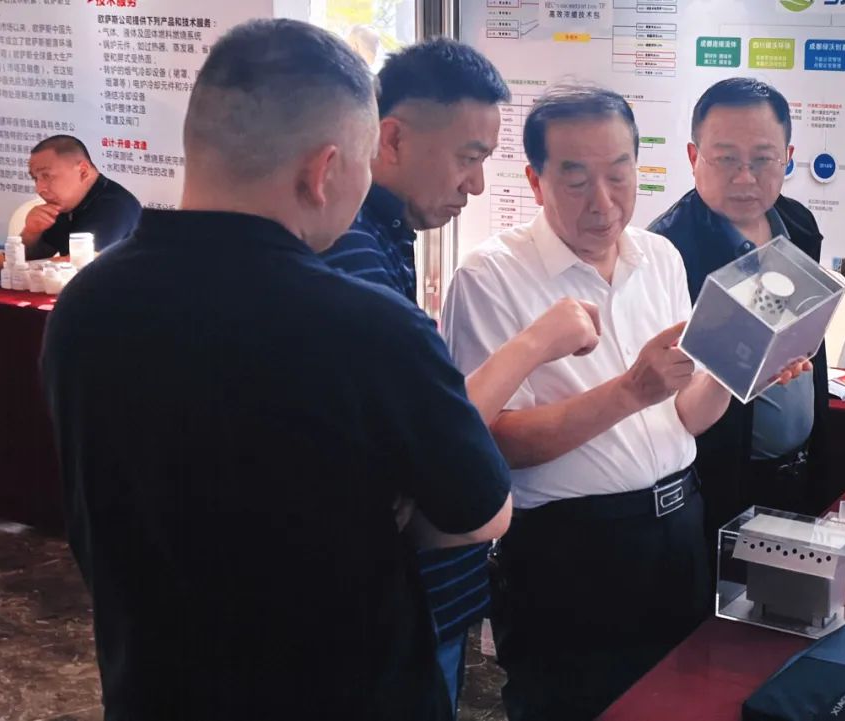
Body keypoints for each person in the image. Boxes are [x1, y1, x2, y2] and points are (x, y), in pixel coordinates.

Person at [41, 19, 512, 721]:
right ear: (324, 171)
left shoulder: (84, 306)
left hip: (153, 688)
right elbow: (483, 510)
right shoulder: (369, 327)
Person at [442, 84, 810, 721]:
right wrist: (630, 391)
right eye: (576, 180)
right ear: (535, 181)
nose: (604, 202)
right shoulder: (490, 276)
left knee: (684, 703)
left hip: (679, 529)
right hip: (570, 552)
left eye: (619, 174)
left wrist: (737, 372)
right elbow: (493, 443)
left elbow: (685, 417)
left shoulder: (659, 257)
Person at [320, 37, 601, 716]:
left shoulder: (383, 237)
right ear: (391, 139)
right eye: (467, 158)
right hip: (395, 598)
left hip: (424, 588)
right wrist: (537, 342)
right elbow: (435, 444)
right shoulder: (354, 249)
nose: (475, 185)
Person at [648, 78, 831, 556]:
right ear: (694, 157)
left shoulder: (798, 224)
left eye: (763, 159)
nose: (745, 177)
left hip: (801, 472)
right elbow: (660, 402)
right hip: (719, 489)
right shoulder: (666, 253)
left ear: (787, 157)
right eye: (726, 159)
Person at [21, 135, 141, 260]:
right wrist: (31, 232)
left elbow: (81, 265)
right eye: (35, 178)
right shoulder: (67, 204)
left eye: (46, 176)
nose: (39, 189)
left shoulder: (115, 206)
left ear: (83, 172)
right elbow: (32, 257)